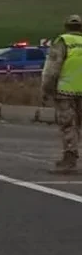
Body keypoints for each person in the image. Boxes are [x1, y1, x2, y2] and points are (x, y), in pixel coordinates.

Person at [41, 14, 82, 173]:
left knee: (68, 126)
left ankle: (69, 160)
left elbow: (52, 70)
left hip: (66, 91)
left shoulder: (63, 42)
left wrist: (46, 90)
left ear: (66, 27)